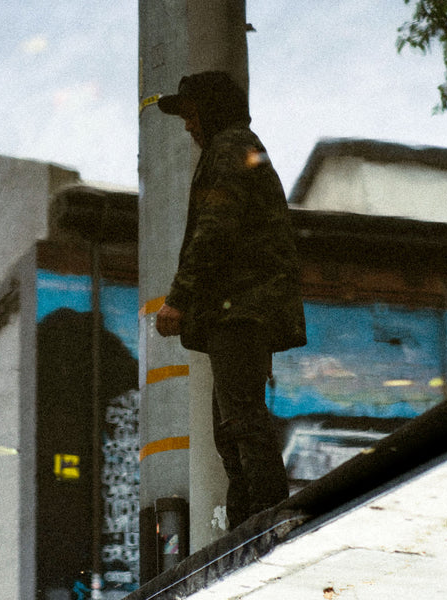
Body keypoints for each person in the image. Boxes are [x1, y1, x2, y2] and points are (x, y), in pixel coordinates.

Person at [155, 70, 307, 531]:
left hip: (238, 311)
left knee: (240, 423)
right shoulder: (243, 148)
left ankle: (266, 523)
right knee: (233, 428)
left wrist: (178, 299)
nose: (187, 126)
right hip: (244, 312)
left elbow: (216, 227)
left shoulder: (228, 148)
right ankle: (248, 527)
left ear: (210, 110)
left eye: (190, 113)